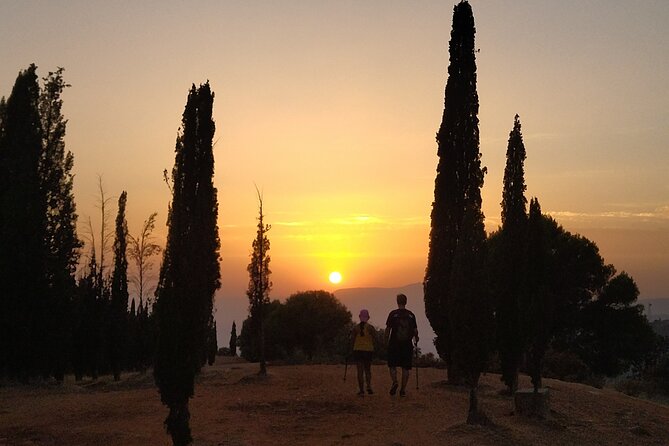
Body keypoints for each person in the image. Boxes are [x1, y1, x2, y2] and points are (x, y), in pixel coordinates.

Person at [385, 293, 418, 397]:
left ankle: (395, 381)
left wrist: (385, 341)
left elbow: (388, 329)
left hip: (394, 343)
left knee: (392, 365)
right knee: (405, 368)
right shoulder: (411, 315)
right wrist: (416, 339)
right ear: (406, 301)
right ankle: (403, 390)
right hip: (407, 345)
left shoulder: (393, 314)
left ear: (397, 302)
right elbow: (415, 331)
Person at [351, 309, 375, 396]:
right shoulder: (371, 328)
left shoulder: (355, 328)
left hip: (358, 350)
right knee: (368, 370)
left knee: (360, 371)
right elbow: (375, 339)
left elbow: (352, 340)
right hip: (368, 350)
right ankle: (369, 386)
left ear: (359, 317)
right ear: (368, 318)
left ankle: (361, 390)